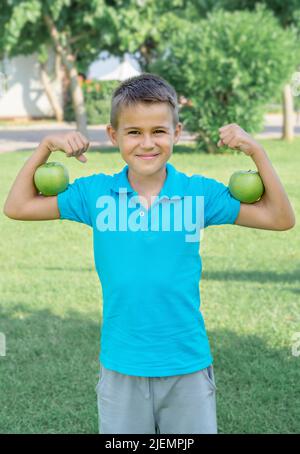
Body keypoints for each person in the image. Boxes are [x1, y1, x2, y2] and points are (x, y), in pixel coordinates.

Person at [3, 73, 295, 434]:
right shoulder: (96, 194)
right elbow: (16, 206)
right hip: (121, 366)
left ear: (176, 132)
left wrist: (258, 152)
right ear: (114, 136)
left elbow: (280, 218)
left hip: (186, 364)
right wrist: (45, 146)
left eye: (158, 131)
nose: (147, 143)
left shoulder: (197, 194)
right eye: (134, 132)